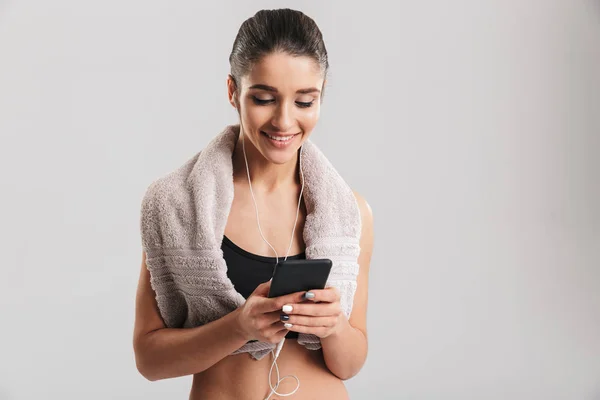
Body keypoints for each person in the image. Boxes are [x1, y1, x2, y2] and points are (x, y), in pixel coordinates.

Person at [133, 8, 374, 400]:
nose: (284, 121)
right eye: (264, 98)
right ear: (233, 92)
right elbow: (149, 359)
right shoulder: (173, 206)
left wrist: (333, 327)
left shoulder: (350, 213)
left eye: (304, 101)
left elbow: (349, 363)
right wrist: (239, 327)